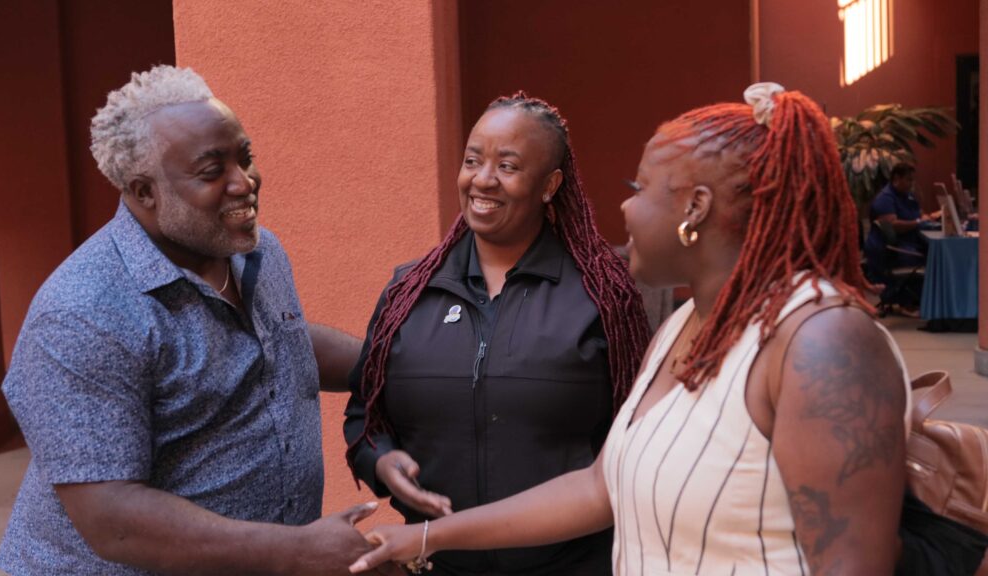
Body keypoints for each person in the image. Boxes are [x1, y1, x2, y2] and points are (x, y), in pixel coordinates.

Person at [348, 84, 911, 576]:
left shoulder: (823, 340)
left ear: (695, 208)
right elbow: (601, 486)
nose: (623, 206)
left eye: (639, 188)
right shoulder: (685, 329)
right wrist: (428, 536)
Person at [0, 65, 400, 576]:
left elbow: (280, 343)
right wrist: (296, 552)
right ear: (145, 192)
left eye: (245, 158)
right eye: (213, 172)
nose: (244, 182)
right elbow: (111, 517)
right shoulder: (81, 313)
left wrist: (398, 366)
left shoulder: (257, 253)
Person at [343, 93, 651, 575]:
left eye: (507, 165)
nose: (483, 179)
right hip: (437, 567)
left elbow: (636, 443)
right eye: (472, 161)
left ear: (550, 185)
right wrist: (381, 462)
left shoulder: (603, 297)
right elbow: (366, 415)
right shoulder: (409, 291)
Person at [863, 162, 937, 315]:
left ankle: (925, 300)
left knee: (931, 251)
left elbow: (918, 212)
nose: (912, 184)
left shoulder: (907, 195)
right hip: (891, 249)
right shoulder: (885, 198)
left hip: (907, 241)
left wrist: (926, 217)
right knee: (927, 256)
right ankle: (907, 302)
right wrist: (918, 222)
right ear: (897, 178)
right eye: (909, 180)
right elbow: (893, 224)